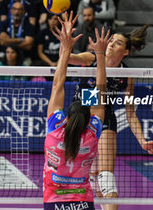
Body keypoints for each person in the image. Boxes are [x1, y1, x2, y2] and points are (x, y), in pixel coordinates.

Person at [66, 23, 153, 210]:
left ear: (124, 52)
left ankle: (99, 180)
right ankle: (92, 176)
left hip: (104, 117)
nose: (111, 44)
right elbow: (68, 58)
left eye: (117, 43)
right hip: (79, 114)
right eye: (111, 41)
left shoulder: (126, 76)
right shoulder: (91, 58)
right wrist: (66, 43)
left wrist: (142, 140)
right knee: (78, 171)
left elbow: (130, 113)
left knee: (106, 176)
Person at [43, 11, 109, 210]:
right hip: (83, 203)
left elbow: (57, 85)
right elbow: (101, 92)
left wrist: (66, 48)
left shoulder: (56, 130)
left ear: (67, 116)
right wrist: (100, 55)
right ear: (87, 119)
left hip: (54, 203)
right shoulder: (91, 135)